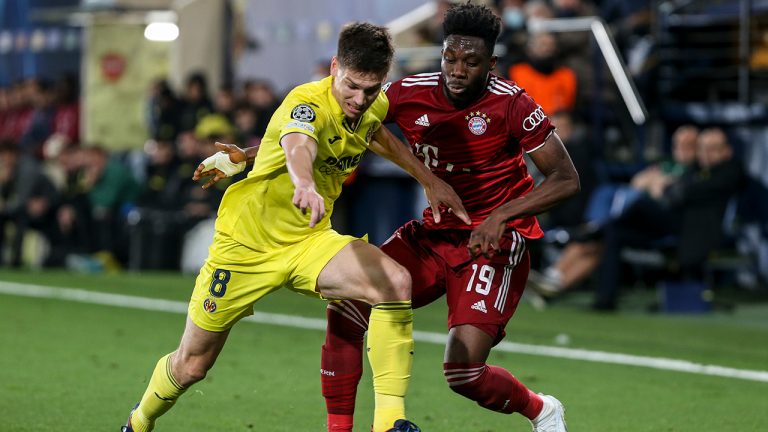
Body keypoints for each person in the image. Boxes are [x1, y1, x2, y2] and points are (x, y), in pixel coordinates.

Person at [198, 5, 579, 431]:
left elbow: (565, 179)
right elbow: (334, 126)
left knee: (463, 373)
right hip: (434, 235)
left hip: (492, 244)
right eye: (449, 58)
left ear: (490, 64)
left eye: (470, 62)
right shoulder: (406, 92)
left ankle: (541, 410)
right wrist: (251, 156)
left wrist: (500, 216)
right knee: (348, 305)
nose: (456, 70)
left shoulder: (513, 105)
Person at [120, 22, 469, 432]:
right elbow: (298, 143)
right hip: (245, 248)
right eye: (352, 86)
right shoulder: (305, 102)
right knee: (192, 364)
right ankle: (139, 421)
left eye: (371, 90)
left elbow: (374, 133)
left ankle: (389, 423)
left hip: (308, 241)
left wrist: (428, 179)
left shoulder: (372, 105)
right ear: (335, 66)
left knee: (393, 282)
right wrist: (303, 182)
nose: (359, 99)